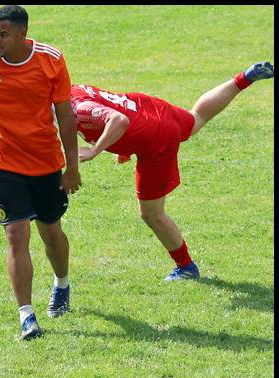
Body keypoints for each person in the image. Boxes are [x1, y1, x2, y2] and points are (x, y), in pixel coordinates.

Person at [72, 62, 274, 281]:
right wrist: (123, 145)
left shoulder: (77, 109)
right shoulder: (73, 90)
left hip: (155, 138)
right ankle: (245, 77)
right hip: (148, 108)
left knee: (152, 214)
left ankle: (186, 267)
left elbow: (118, 120)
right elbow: (115, 111)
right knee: (196, 118)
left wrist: (94, 150)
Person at [0, 5, 82, 340]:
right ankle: (26, 316)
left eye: (3, 34)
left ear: (22, 34)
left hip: (44, 160)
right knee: (16, 234)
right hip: (1, 160)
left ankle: (62, 283)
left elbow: (66, 115)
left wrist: (72, 168)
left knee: (51, 231)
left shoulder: (51, 60)